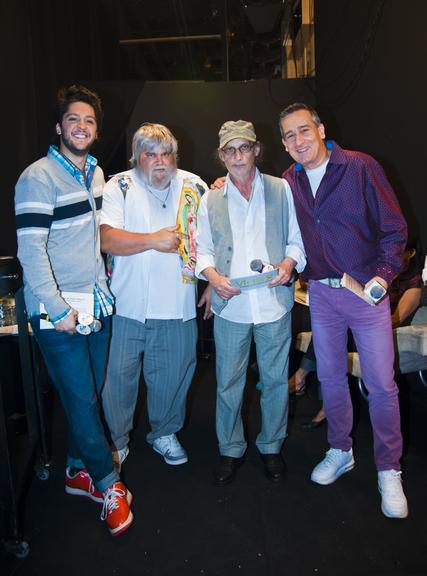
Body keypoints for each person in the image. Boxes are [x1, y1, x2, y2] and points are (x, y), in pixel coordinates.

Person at [279, 102, 409, 518]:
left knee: (381, 384)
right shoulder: (289, 181)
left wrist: (385, 276)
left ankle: (389, 468)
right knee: (331, 378)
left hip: (367, 291)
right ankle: (341, 449)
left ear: (320, 129)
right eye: (288, 136)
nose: (298, 141)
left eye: (303, 131)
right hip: (322, 292)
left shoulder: (360, 167)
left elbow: (394, 228)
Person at [14, 84, 133, 536]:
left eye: (88, 121)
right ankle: (109, 484)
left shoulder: (97, 174)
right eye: (73, 119)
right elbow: (32, 253)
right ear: (58, 127)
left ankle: (75, 472)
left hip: (96, 304)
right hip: (59, 313)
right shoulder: (38, 177)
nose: (80, 126)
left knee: (90, 396)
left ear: (96, 130)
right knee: (81, 399)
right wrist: (57, 307)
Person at [196, 120, 306, 485]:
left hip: (274, 302)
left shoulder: (281, 189)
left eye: (244, 148)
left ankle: (271, 446)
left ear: (257, 150)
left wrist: (289, 264)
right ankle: (230, 448)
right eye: (230, 150)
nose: (237, 156)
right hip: (232, 305)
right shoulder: (211, 198)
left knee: (275, 380)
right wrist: (213, 278)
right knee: (228, 382)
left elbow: (296, 240)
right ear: (221, 155)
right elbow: (202, 251)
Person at [100, 123, 210, 469]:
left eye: (166, 154)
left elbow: (211, 241)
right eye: (151, 154)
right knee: (117, 381)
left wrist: (209, 282)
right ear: (137, 157)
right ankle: (116, 442)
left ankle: (164, 432)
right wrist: (153, 240)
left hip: (177, 303)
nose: (160, 162)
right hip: (126, 303)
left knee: (174, 375)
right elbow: (106, 239)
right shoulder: (118, 185)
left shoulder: (195, 186)